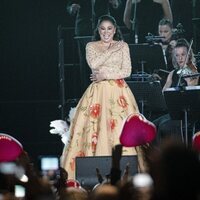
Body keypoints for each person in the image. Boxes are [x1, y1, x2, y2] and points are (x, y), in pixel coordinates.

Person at [61, 15, 146, 180]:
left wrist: (105, 74)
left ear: (114, 30)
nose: (106, 32)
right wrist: (112, 49)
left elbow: (127, 71)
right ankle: (93, 174)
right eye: (102, 29)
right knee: (96, 129)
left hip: (119, 93)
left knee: (120, 129)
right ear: (98, 30)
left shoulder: (123, 46)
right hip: (97, 94)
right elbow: (94, 64)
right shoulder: (91, 46)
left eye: (109, 29)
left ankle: (126, 172)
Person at [67, 0, 122, 93]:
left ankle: (104, 95)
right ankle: (88, 96)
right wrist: (72, 8)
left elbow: (118, 3)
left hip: (103, 31)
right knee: (86, 65)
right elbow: (69, 5)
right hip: (84, 30)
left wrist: (115, 3)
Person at [153, 38, 199, 144]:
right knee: (153, 124)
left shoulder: (193, 71)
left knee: (165, 126)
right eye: (177, 55)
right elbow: (164, 93)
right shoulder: (172, 73)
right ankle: (157, 157)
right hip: (173, 113)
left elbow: (193, 97)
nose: (180, 58)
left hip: (187, 115)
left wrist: (188, 82)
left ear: (189, 56)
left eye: (183, 54)